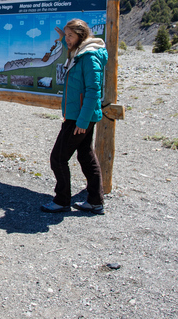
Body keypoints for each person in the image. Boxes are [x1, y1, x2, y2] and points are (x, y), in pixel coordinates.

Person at [41, 18, 108, 215]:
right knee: (86, 157)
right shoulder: (80, 52)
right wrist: (63, 39)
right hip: (78, 115)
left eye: (71, 36)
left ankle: (62, 201)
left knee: (58, 158)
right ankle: (95, 201)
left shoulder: (88, 57)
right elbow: (71, 49)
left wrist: (82, 121)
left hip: (79, 117)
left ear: (81, 36)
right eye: (67, 35)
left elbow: (93, 91)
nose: (68, 39)